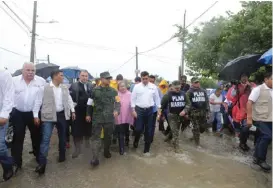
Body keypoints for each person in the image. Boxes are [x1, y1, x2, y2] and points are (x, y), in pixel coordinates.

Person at [35, 70, 76, 175]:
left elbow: (69, 100)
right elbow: (38, 102)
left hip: (61, 115)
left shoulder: (64, 87)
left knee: (62, 138)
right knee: (45, 139)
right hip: (48, 116)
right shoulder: (45, 88)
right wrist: (35, 115)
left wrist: (73, 110)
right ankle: (42, 163)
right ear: (55, 76)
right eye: (61, 75)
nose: (63, 77)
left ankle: (62, 156)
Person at [11, 62, 46, 173]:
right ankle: (16, 162)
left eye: (33, 70)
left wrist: (36, 115)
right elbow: (8, 96)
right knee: (17, 138)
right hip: (18, 113)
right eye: (28, 70)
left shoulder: (41, 81)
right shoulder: (14, 81)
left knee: (36, 136)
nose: (30, 72)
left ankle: (38, 157)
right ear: (22, 70)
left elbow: (39, 99)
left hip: (33, 113)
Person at [86, 71, 120, 167]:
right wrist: (88, 114)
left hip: (109, 118)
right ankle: (95, 157)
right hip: (97, 118)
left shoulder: (113, 91)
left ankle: (106, 151)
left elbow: (118, 102)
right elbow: (89, 104)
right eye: (107, 78)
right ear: (101, 79)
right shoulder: (94, 90)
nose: (109, 80)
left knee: (108, 137)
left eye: (109, 78)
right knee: (95, 138)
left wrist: (117, 110)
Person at [247, 71, 272, 171]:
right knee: (267, 136)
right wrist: (249, 118)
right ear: (266, 79)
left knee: (264, 138)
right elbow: (249, 102)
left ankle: (256, 157)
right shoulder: (258, 89)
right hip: (260, 119)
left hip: (270, 119)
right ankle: (261, 160)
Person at [131, 71, 161, 155]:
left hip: (149, 110)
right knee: (138, 129)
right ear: (141, 78)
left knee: (149, 130)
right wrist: (133, 110)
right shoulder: (136, 87)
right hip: (139, 110)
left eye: (146, 78)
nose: (145, 80)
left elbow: (157, 98)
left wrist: (159, 108)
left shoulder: (153, 87)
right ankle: (136, 140)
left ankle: (146, 150)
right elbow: (132, 99)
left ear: (148, 78)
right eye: (143, 79)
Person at [159, 81, 190, 153]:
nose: (177, 89)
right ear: (172, 87)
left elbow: (188, 104)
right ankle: (176, 148)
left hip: (181, 116)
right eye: (176, 88)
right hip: (172, 116)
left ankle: (167, 138)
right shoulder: (168, 95)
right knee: (176, 132)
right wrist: (161, 116)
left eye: (179, 88)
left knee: (175, 130)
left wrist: (185, 111)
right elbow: (162, 106)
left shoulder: (184, 94)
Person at [69, 70, 93, 158]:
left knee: (88, 129)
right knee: (77, 131)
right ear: (79, 76)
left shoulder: (90, 85)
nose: (84, 77)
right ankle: (77, 149)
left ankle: (87, 145)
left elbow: (92, 97)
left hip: (88, 111)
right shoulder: (73, 85)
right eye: (83, 75)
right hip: (77, 111)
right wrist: (72, 111)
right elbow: (70, 100)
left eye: (86, 76)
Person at [187, 77, 210, 148]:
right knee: (196, 127)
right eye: (195, 82)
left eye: (198, 82)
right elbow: (187, 103)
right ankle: (197, 144)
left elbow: (207, 102)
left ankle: (194, 135)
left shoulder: (203, 91)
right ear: (192, 83)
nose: (197, 83)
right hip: (193, 113)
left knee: (202, 128)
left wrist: (208, 111)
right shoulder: (189, 92)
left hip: (202, 112)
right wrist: (187, 113)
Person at [0, 70, 14, 181]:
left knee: (0, 146)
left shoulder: (4, 74)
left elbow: (9, 96)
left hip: (1, 114)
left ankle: (8, 166)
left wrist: (4, 115)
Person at [115, 81, 134, 155]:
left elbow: (133, 104)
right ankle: (121, 148)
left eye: (124, 86)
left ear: (126, 87)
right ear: (118, 88)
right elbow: (115, 104)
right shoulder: (116, 95)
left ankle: (127, 140)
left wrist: (133, 111)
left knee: (126, 129)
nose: (122, 87)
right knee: (120, 132)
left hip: (127, 115)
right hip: (119, 115)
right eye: (120, 86)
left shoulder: (130, 94)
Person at [149, 75, 163, 142]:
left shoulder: (157, 89)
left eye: (152, 81)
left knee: (152, 125)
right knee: (145, 125)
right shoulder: (142, 88)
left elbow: (161, 99)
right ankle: (146, 136)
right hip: (144, 110)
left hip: (153, 110)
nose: (151, 83)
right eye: (150, 81)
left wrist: (159, 111)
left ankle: (150, 138)